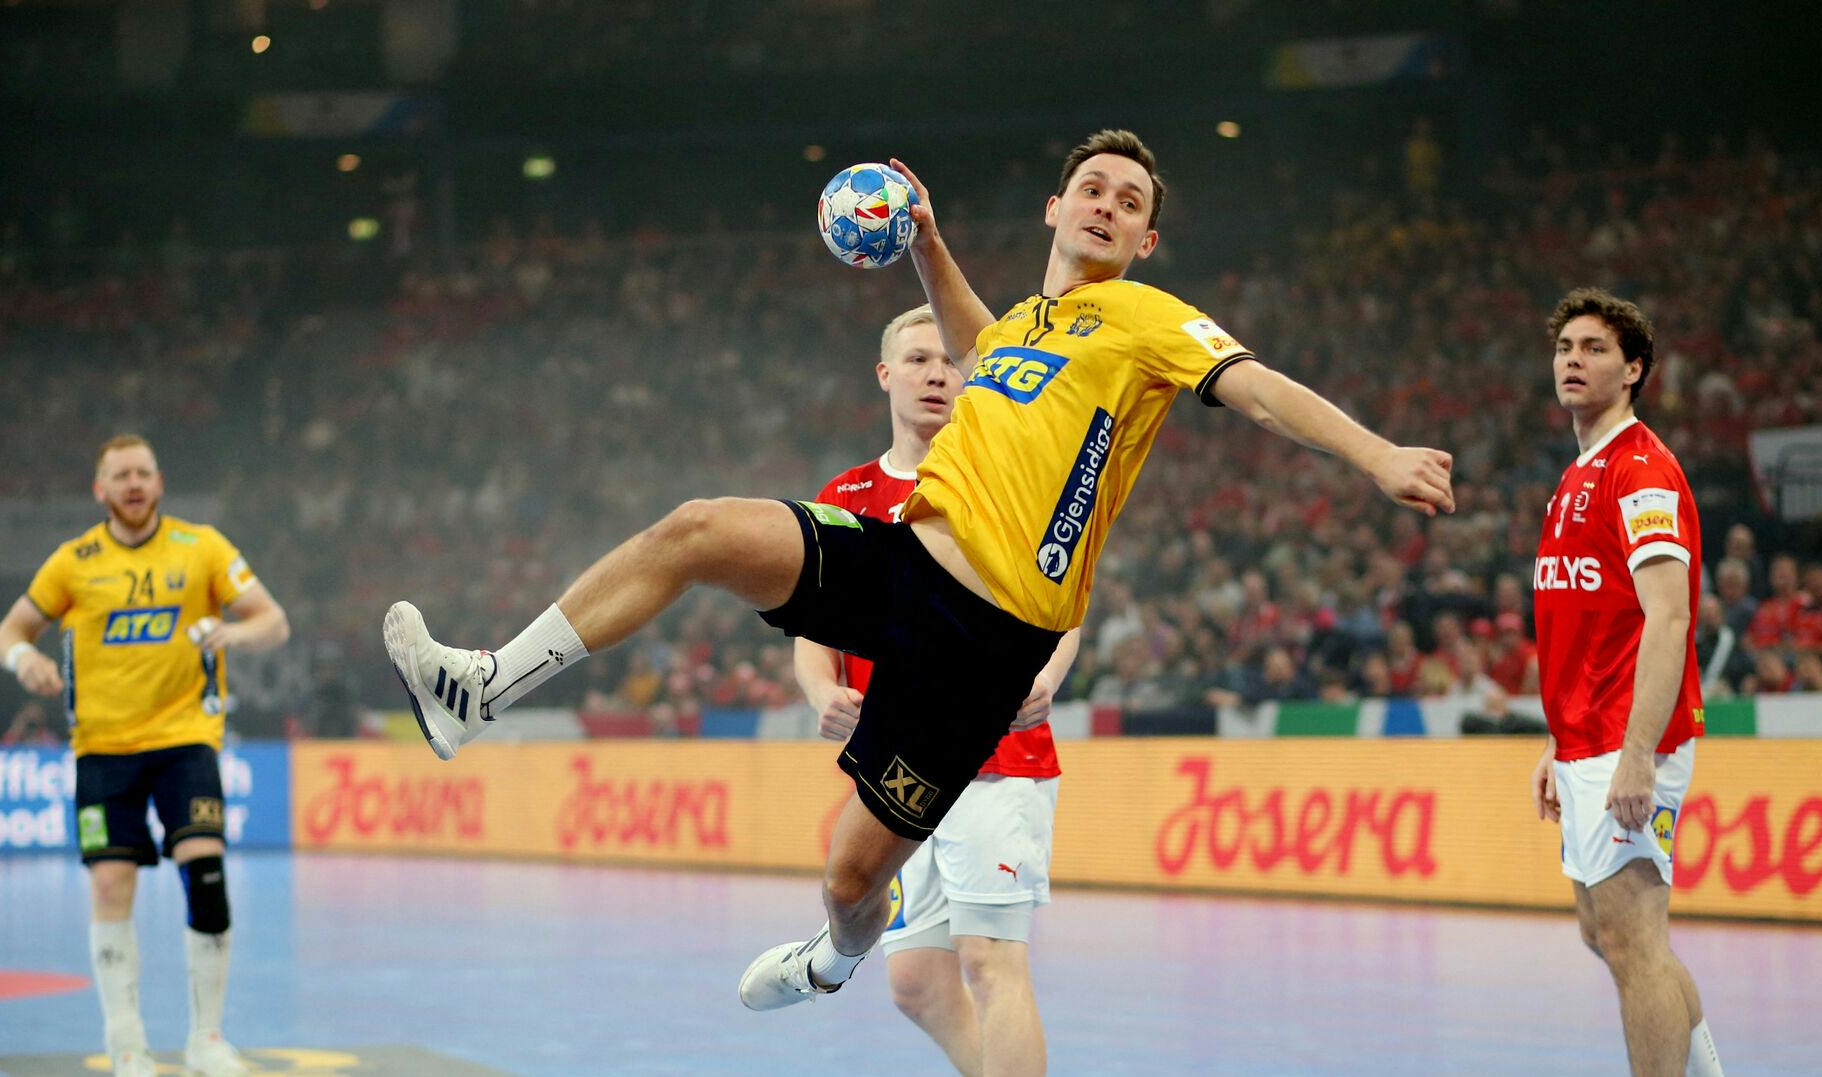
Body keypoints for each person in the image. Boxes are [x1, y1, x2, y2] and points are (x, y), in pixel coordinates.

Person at [383, 129, 1453, 1017]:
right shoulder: (1030, 329)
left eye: (1129, 202)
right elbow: (985, 346)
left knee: (853, 885)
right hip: (900, 564)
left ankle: (833, 963)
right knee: (699, 526)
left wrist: (1377, 455)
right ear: (1052, 208)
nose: (1106, 205)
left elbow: (1258, 388)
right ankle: (481, 688)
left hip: (983, 645)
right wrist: (927, 242)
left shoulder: (1145, 320)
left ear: (1147, 237)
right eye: (1091, 188)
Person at [795, 304, 1075, 1076]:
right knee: (916, 981)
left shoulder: (1009, 477)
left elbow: (1068, 600)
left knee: (990, 959)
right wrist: (820, 689)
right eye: (918, 360)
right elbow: (813, 631)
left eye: (950, 361)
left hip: (996, 754)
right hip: (895, 769)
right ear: (886, 375)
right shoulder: (845, 493)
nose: (936, 374)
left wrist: (1047, 676)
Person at [0, 435, 289, 1077]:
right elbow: (8, 631)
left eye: (143, 473)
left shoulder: (201, 547)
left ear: (159, 483)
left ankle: (207, 1039)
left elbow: (274, 621)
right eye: (120, 475)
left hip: (186, 740)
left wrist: (233, 630)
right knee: (110, 881)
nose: (133, 483)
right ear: (100, 490)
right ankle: (127, 1045)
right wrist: (25, 658)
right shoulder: (72, 562)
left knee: (205, 874)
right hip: (103, 749)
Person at [1528, 290, 1723, 1076]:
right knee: (1603, 931)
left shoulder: (1640, 471)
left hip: (1627, 739)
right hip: (1585, 739)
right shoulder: (1579, 472)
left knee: (1636, 941)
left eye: (1595, 349)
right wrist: (1557, 741)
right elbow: (1581, 622)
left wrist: (1638, 751)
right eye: (1565, 346)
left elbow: (1668, 618)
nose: (1573, 359)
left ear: (1634, 369)